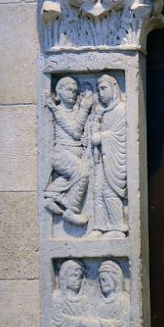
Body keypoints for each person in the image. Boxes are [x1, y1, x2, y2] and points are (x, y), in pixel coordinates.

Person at [43, 77, 94, 225]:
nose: (72, 93)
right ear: (59, 92)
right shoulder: (58, 110)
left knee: (72, 176)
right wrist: (85, 109)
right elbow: (75, 132)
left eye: (74, 91)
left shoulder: (75, 110)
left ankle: (51, 195)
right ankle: (72, 210)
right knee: (83, 172)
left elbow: (81, 134)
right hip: (59, 155)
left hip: (73, 154)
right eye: (68, 90)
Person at [86, 74, 128, 237]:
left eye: (103, 88)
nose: (100, 93)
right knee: (97, 190)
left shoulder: (121, 110)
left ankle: (118, 227)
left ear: (114, 88)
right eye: (98, 89)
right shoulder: (104, 112)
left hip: (114, 160)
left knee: (109, 192)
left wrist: (102, 137)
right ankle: (100, 226)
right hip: (102, 159)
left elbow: (120, 136)